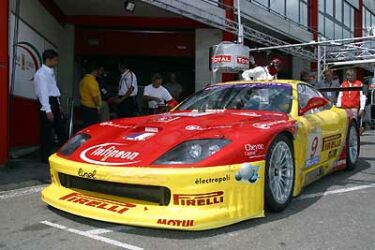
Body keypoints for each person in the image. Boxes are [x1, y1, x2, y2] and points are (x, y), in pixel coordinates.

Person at [33, 49, 67, 162]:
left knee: (60, 129)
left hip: (53, 102)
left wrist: (58, 104)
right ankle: (44, 156)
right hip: (46, 104)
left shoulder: (50, 72)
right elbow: (43, 93)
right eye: (55, 60)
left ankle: (64, 153)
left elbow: (53, 89)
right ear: (48, 60)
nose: (57, 62)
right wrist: (47, 110)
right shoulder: (41, 74)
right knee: (46, 132)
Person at [336, 69, 367, 134]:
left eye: (352, 75)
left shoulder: (359, 83)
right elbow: (340, 96)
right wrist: (338, 106)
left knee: (353, 124)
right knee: (345, 124)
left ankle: (353, 138)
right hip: (344, 108)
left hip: (354, 107)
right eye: (349, 75)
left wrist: (362, 108)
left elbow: (362, 97)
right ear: (347, 76)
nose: (351, 77)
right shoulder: (343, 84)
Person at [79, 62, 102, 128]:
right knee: (93, 127)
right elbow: (95, 96)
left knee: (86, 126)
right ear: (94, 71)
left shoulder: (83, 80)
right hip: (91, 107)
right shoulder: (91, 81)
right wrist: (98, 107)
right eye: (97, 71)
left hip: (84, 105)